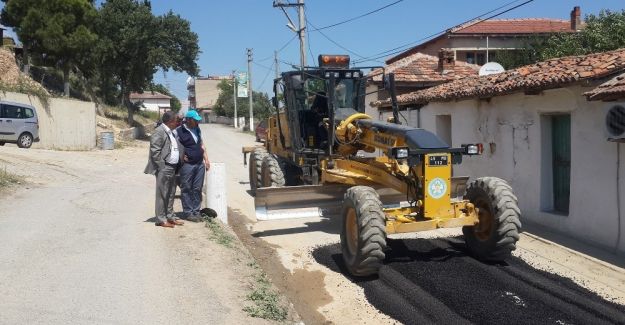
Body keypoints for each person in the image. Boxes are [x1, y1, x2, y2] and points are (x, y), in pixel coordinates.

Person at [144, 111, 185, 228]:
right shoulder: (159, 131)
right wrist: (162, 166)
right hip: (165, 167)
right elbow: (155, 151)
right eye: (177, 120)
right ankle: (161, 219)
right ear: (170, 121)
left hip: (173, 167)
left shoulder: (169, 131)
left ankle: (170, 216)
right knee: (162, 194)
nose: (178, 122)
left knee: (171, 193)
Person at [176, 110, 210, 222]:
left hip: (199, 164)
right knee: (186, 188)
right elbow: (173, 146)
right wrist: (180, 156)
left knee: (197, 188)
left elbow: (201, 144)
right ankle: (188, 212)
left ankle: (196, 211)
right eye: (196, 120)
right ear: (189, 120)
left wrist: (206, 159)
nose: (198, 122)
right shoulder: (179, 131)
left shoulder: (197, 129)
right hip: (187, 165)